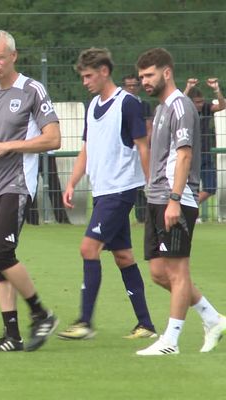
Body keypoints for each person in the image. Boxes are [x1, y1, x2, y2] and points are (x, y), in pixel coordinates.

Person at [57, 48, 157, 341]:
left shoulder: (128, 104)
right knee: (124, 257)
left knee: (88, 249)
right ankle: (146, 324)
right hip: (103, 190)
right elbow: (87, 148)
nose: (85, 81)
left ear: (104, 71)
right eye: (83, 76)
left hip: (120, 189)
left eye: (88, 76)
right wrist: (72, 182)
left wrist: (152, 187)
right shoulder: (92, 106)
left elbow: (142, 146)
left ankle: (84, 322)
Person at [0, 30, 60, 352]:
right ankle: (12, 335)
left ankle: (41, 313)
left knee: (0, 252)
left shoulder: (32, 90)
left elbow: (53, 139)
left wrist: (8, 147)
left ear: (13, 56)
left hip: (17, 183)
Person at [135, 48, 226, 356]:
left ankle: (170, 341)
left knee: (178, 272)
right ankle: (213, 319)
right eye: (142, 77)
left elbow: (185, 154)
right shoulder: (161, 109)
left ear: (167, 72)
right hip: (157, 197)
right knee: (160, 273)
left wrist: (175, 199)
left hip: (176, 198)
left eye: (149, 75)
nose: (145, 81)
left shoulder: (180, 106)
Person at [183, 77, 226, 206]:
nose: (200, 104)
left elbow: (222, 105)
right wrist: (188, 87)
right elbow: (179, 102)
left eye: (201, 101)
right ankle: (186, 210)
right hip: (189, 154)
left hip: (205, 154)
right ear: (191, 102)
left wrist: (216, 89)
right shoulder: (186, 109)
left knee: (211, 188)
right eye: (197, 102)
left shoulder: (206, 108)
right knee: (189, 188)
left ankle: (187, 208)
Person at [122, 74, 154, 223]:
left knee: (141, 183)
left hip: (139, 148)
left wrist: (142, 146)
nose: (131, 89)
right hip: (124, 149)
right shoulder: (119, 105)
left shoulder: (144, 105)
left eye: (134, 85)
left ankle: (142, 217)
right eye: (128, 86)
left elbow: (149, 128)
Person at [23, 152, 71, 225]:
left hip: (47, 152)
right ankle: (32, 221)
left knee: (54, 186)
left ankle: (62, 219)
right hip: (31, 153)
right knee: (30, 186)